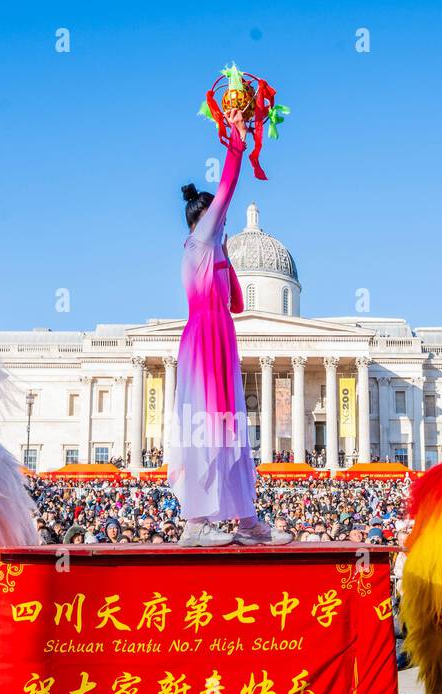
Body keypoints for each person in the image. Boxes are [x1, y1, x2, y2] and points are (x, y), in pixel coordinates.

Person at [168, 107, 289, 548]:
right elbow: (228, 186)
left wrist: (228, 261)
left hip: (220, 336)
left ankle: (246, 520)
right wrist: (238, 140)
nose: (222, 222)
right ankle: (196, 522)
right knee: (206, 427)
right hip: (204, 342)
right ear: (203, 220)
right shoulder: (199, 242)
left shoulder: (213, 254)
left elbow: (237, 304)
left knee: (230, 430)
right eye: (217, 219)